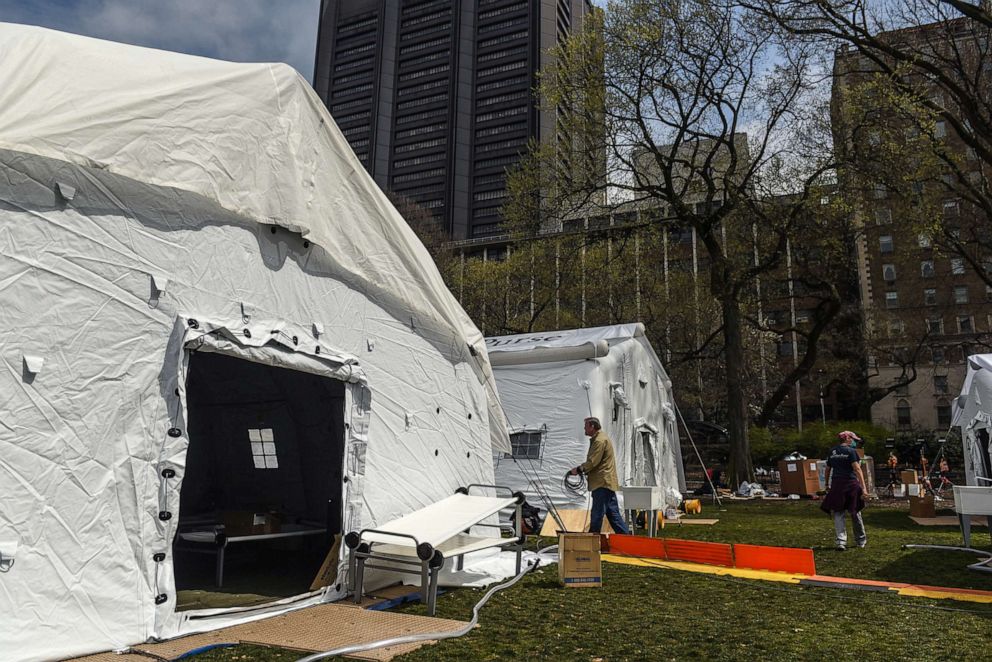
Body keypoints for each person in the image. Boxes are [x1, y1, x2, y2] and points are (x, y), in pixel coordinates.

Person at [570, 416, 630, 535]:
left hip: (601, 483)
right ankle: (628, 540)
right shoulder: (601, 438)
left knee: (597, 515)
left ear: (592, 426)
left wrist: (579, 469)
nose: (584, 429)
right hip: (606, 483)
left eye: (586, 426)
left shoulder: (599, 441)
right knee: (614, 516)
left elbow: (593, 461)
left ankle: (592, 543)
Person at [821, 430, 869, 550]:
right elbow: (857, 469)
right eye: (852, 439)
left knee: (838, 512)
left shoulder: (832, 451)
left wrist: (826, 484)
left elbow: (827, 469)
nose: (854, 441)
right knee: (855, 511)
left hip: (837, 484)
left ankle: (841, 541)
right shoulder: (851, 451)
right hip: (851, 484)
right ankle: (861, 540)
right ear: (847, 438)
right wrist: (864, 488)